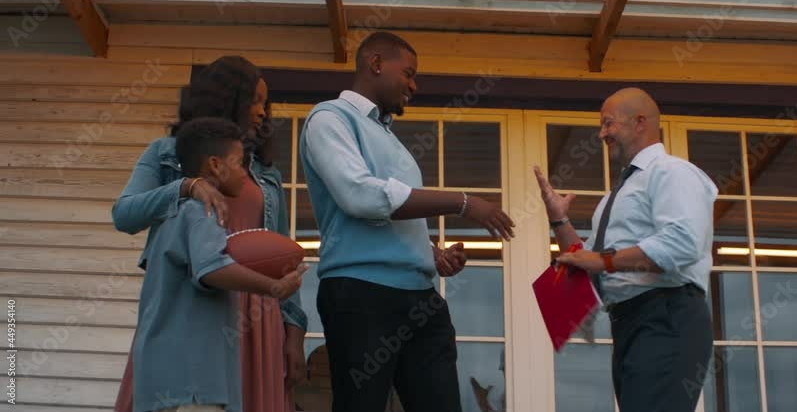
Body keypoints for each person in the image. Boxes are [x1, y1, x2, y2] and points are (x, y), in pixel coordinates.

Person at [298, 31, 516, 412]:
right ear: (376, 63)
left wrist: (431, 254)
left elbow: (392, 215)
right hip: (361, 295)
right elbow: (360, 196)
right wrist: (463, 203)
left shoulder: (392, 141)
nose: (414, 86)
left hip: (421, 300)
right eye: (409, 74)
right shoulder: (329, 118)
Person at [112, 56, 309, 412]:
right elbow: (125, 215)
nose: (262, 112)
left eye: (265, 103)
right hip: (191, 306)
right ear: (228, 99)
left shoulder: (267, 173)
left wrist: (294, 331)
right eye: (254, 100)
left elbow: (281, 255)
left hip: (255, 310)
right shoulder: (167, 154)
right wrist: (186, 186)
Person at [535, 87, 717, 412]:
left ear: (640, 122)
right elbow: (587, 261)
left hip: (666, 316)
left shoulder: (672, 172)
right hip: (629, 323)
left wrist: (604, 260)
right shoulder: (617, 195)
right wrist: (559, 220)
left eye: (608, 123)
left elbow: (682, 243)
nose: (601, 134)